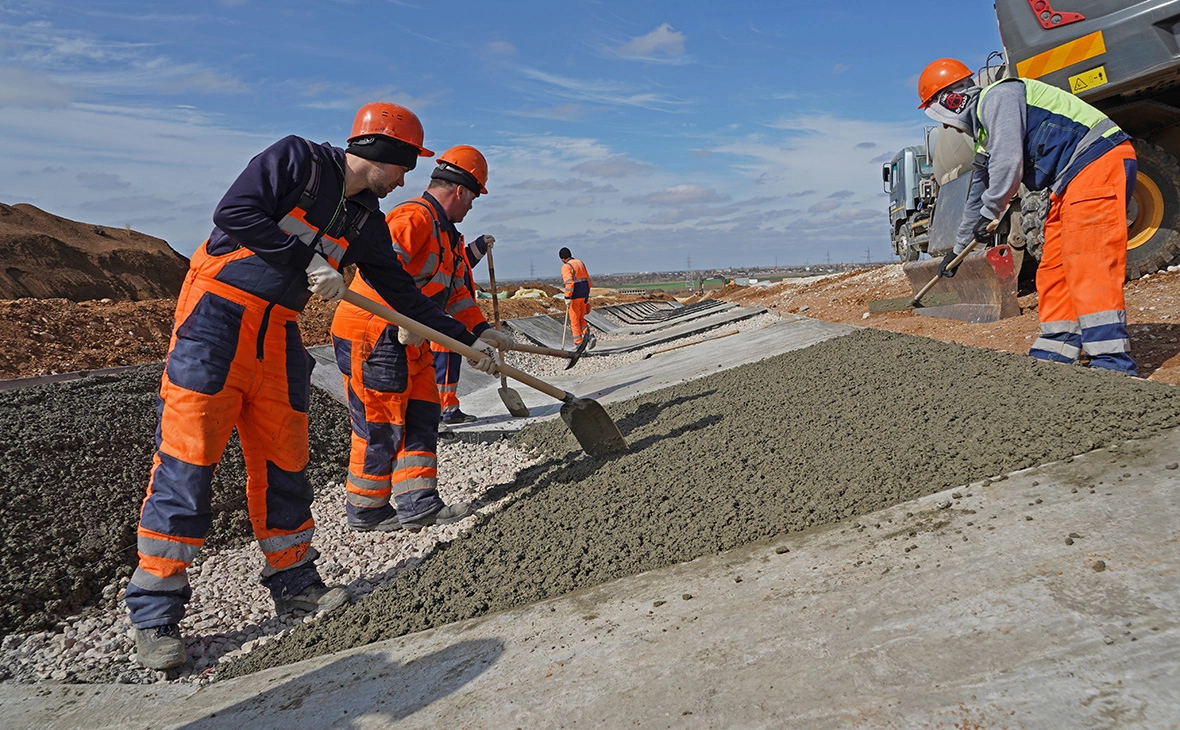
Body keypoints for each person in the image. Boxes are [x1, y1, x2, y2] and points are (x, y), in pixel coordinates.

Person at [124, 102, 495, 671]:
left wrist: (472, 339)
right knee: (189, 458)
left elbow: (405, 295)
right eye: (405, 166)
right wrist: (301, 259)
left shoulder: (367, 220)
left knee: (284, 460)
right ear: (385, 152)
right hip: (216, 319)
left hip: (280, 333)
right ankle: (156, 613)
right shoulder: (297, 160)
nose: (405, 180)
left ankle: (295, 580)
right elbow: (236, 211)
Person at [330, 143, 511, 533]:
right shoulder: (412, 218)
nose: (472, 207)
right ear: (461, 191)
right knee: (380, 422)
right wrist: (403, 319)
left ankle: (418, 503)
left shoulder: (449, 237)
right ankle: (367, 510)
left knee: (422, 413)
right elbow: (382, 273)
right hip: (374, 331)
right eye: (474, 198)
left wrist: (481, 333)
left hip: (414, 334)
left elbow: (457, 293)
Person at [919, 58, 1137, 375]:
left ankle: (1111, 362)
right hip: (1070, 179)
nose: (945, 127)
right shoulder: (984, 135)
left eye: (940, 117)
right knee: (1054, 266)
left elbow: (1008, 164)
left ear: (952, 101)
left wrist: (991, 213)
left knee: (1087, 259)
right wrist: (957, 251)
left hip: (1098, 161)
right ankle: (1057, 351)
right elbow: (977, 193)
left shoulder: (999, 97)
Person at [433, 231, 495, 424]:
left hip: (454, 321)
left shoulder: (455, 257)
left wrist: (480, 245)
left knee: (449, 369)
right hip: (443, 324)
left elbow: (467, 260)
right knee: (445, 370)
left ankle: (445, 410)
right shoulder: (442, 259)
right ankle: (445, 412)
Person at [559, 247, 595, 349]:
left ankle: (578, 344)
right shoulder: (580, 263)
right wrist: (587, 296)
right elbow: (589, 281)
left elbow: (569, 283)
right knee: (580, 319)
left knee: (574, 320)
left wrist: (567, 297)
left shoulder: (566, 267)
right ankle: (590, 336)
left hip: (575, 297)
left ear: (562, 258)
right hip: (584, 295)